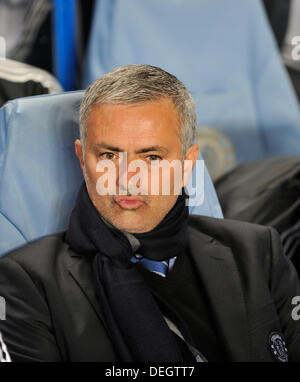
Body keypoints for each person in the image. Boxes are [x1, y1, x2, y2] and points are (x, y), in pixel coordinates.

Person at [0, 65, 299, 362]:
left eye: (152, 157)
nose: (127, 178)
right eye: (108, 156)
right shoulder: (24, 283)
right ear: (81, 158)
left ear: (187, 164)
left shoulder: (258, 251)